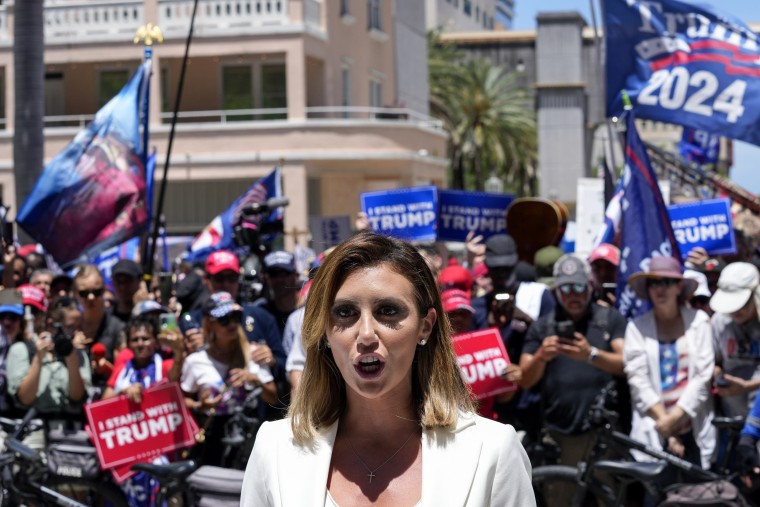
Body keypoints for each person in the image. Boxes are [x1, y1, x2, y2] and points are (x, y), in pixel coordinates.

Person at [241, 232, 534, 506]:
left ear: (425, 326)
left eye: (388, 311)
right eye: (345, 313)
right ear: (325, 332)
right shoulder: (275, 449)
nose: (366, 333)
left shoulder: (493, 451)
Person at [519, 254, 627, 464]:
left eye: (579, 287)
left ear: (590, 286)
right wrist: (541, 357)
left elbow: (626, 365)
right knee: (561, 495)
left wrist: (591, 355)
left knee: (608, 496)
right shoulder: (542, 327)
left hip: (604, 434)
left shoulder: (609, 318)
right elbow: (524, 380)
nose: (573, 295)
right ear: (555, 291)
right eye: (565, 289)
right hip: (560, 435)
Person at [624, 256, 715, 470]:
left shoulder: (698, 321)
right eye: (653, 283)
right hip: (655, 427)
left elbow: (703, 376)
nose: (659, 289)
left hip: (693, 427)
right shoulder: (636, 327)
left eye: (666, 282)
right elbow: (638, 380)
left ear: (679, 287)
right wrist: (666, 426)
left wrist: (674, 418)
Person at [182, 291, 277, 467]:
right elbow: (182, 401)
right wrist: (199, 405)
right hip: (213, 445)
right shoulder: (195, 361)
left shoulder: (254, 353)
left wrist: (254, 380)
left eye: (236, 317)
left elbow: (272, 397)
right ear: (209, 324)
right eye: (224, 319)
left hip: (249, 443)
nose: (232, 324)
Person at [710, 262, 760, 418]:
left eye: (742, 304)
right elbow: (716, 362)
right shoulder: (719, 321)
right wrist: (718, 377)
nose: (736, 311)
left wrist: (748, 386)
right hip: (733, 416)